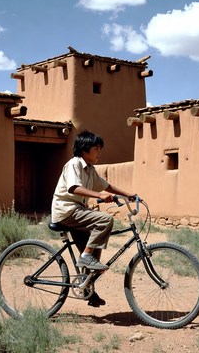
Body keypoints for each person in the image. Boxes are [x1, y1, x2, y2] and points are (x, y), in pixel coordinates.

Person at [51, 130, 136, 307]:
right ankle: (86, 257)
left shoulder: (90, 170)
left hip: (78, 212)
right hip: (67, 211)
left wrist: (128, 195)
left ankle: (87, 290)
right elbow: (73, 188)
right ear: (84, 149)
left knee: (94, 253)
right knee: (105, 220)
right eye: (96, 148)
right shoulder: (74, 164)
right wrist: (99, 195)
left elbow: (107, 186)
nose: (99, 152)